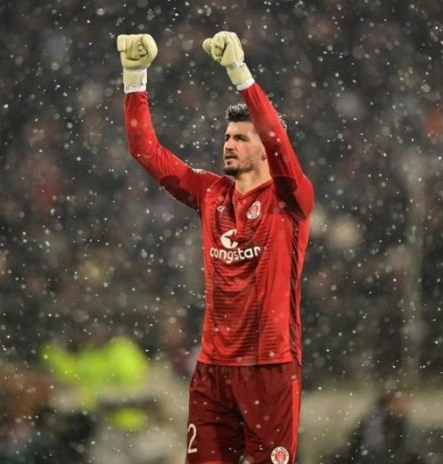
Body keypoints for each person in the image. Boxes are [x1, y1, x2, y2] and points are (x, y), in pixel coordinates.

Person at [116, 31, 314, 464]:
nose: (228, 144)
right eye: (227, 137)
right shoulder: (210, 193)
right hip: (212, 370)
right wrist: (135, 77)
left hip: (270, 367)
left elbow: (278, 138)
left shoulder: (290, 199)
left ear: (266, 149)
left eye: (241, 138)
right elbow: (145, 150)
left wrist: (239, 72)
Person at [332, 390, 424, 464]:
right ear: (391, 403)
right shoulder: (375, 422)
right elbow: (371, 451)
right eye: (400, 402)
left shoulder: (405, 425)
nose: (404, 406)